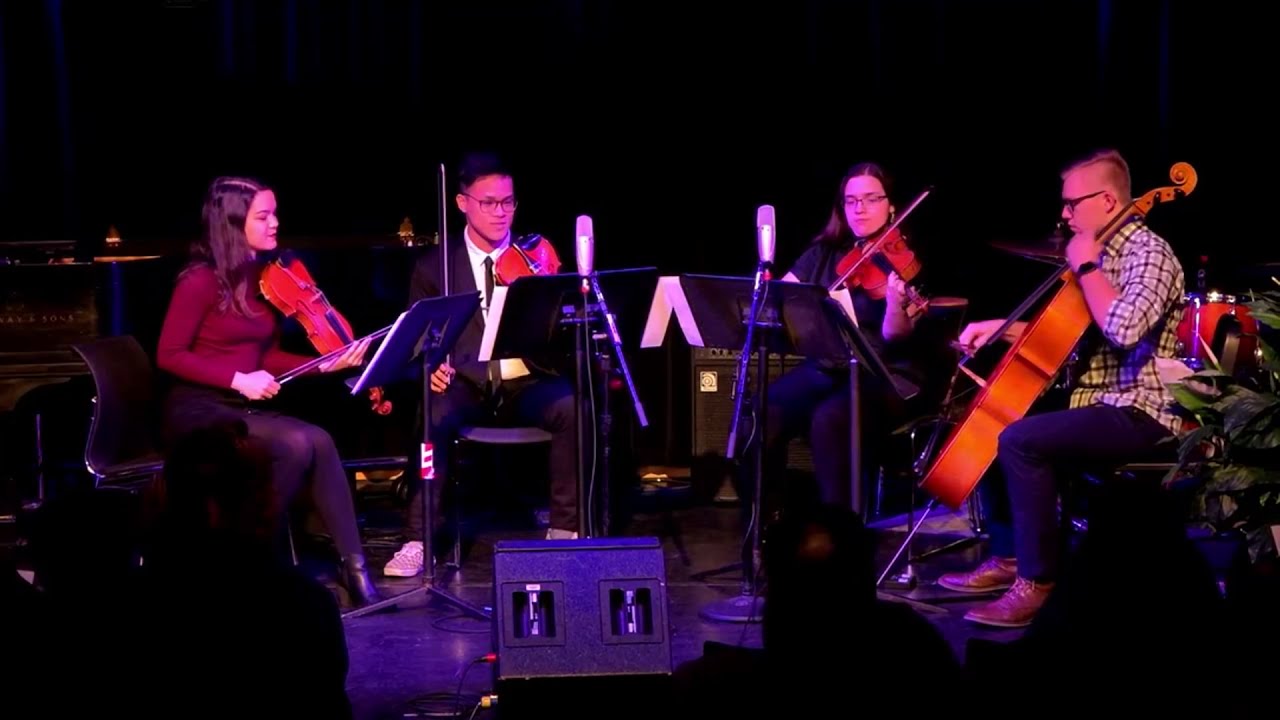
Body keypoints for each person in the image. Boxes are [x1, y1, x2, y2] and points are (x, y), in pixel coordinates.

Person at [936, 148, 1186, 627]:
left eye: (1074, 203)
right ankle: (1009, 556)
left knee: (1021, 440)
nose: (1065, 214)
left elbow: (1125, 329)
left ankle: (1039, 581)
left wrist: (1088, 267)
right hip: (1098, 402)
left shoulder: (1149, 253)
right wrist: (1001, 328)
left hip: (1143, 410)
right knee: (997, 417)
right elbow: (1072, 330)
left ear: (1109, 201)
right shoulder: (1102, 254)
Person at [155, 176, 382, 607]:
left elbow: (267, 354)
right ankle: (246, 563)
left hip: (241, 405)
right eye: (263, 216)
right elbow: (169, 355)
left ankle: (356, 570)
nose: (275, 222)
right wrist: (237, 379)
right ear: (233, 224)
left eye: (274, 212)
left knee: (320, 439)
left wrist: (321, 365)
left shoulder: (264, 277)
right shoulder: (199, 281)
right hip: (197, 408)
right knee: (295, 443)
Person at [382, 151, 577, 578]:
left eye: (508, 202)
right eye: (489, 202)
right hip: (465, 384)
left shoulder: (536, 258)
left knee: (570, 406)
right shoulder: (436, 265)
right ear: (462, 203)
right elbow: (418, 336)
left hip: (524, 383)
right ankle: (418, 537)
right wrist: (429, 363)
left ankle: (566, 531)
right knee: (432, 413)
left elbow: (559, 331)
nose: (501, 212)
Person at [752, 161, 926, 512]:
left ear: (892, 205)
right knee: (764, 408)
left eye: (871, 199)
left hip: (884, 373)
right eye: (851, 201)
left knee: (829, 420)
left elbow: (896, 335)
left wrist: (894, 303)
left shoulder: (905, 260)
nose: (859, 209)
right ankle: (768, 522)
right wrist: (767, 291)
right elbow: (781, 296)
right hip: (831, 364)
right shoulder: (825, 253)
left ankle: (841, 533)